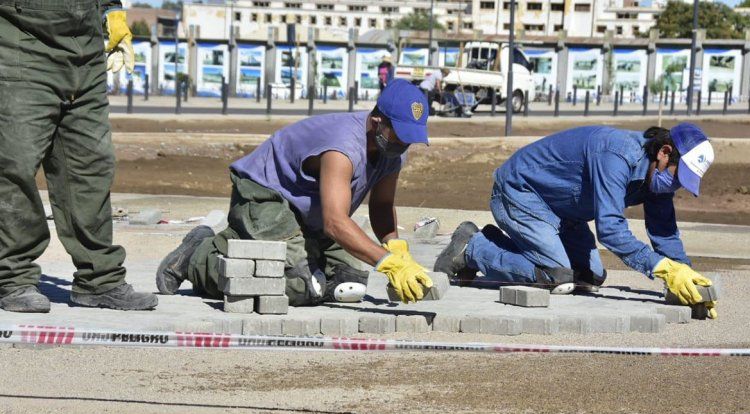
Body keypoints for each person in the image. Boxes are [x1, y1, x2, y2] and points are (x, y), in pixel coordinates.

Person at [157, 79, 434, 305]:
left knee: (349, 280)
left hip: (306, 210)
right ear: (377, 121)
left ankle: (295, 252)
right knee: (297, 286)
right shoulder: (343, 147)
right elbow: (335, 223)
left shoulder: (393, 151)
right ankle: (199, 256)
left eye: (410, 137)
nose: (404, 143)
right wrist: (388, 263)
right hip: (265, 194)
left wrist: (395, 248)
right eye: (400, 134)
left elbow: (382, 205)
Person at [434, 123, 718, 318]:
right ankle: (472, 247)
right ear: (664, 152)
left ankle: (500, 244)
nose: (675, 187)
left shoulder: (656, 176)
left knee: (589, 276)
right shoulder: (616, 155)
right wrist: (663, 270)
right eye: (678, 177)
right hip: (520, 194)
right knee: (556, 276)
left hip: (562, 211)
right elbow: (610, 229)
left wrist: (687, 280)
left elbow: (664, 231)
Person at [0, 1, 157, 313]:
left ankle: (99, 279)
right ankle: (13, 277)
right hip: (21, 46)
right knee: (14, 165)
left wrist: (111, 9)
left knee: (91, 167)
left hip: (86, 54)